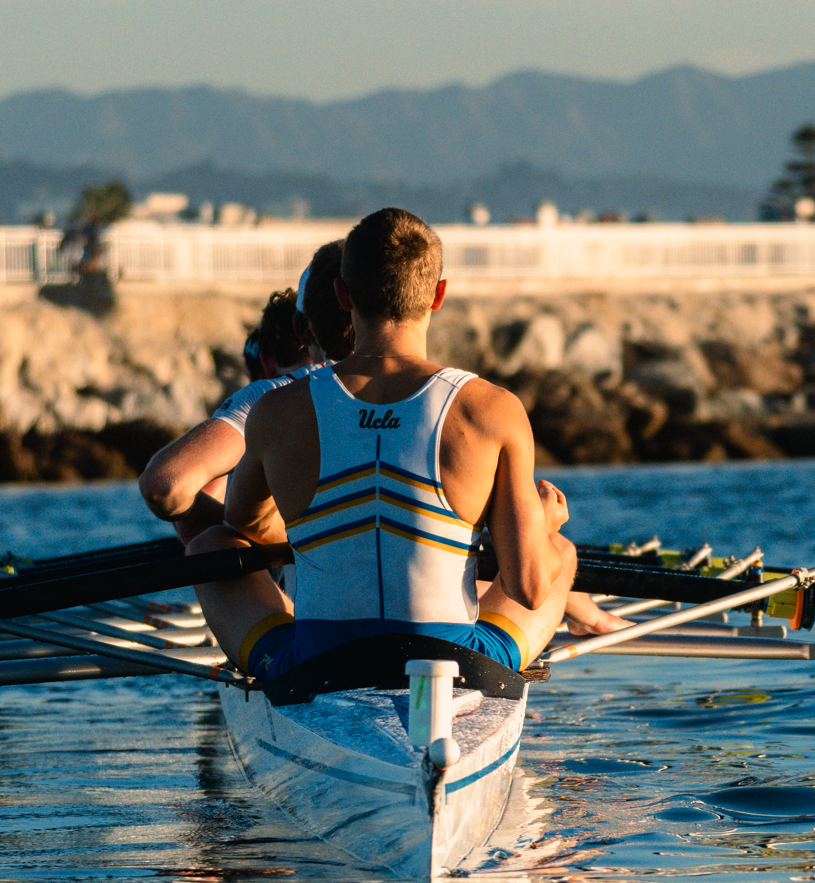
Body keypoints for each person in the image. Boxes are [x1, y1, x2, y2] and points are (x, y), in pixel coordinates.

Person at [187, 207, 620, 679]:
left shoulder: (277, 410)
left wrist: (324, 532)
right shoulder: (491, 409)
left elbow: (242, 525)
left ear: (342, 295)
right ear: (438, 296)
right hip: (455, 665)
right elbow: (530, 588)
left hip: (317, 663)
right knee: (559, 553)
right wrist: (540, 523)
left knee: (210, 545)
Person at [138, 242, 350, 542]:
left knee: (209, 546)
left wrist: (249, 533)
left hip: (305, 578)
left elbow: (165, 487)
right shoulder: (438, 389)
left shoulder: (268, 397)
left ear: (303, 330)